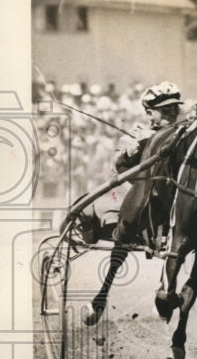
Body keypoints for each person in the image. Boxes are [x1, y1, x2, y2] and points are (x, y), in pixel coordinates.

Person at [78, 82, 185, 244]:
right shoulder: (136, 135)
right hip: (139, 195)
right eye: (166, 110)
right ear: (150, 114)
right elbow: (115, 165)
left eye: (175, 109)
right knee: (86, 210)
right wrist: (128, 154)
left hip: (175, 193)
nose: (172, 114)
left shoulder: (184, 133)